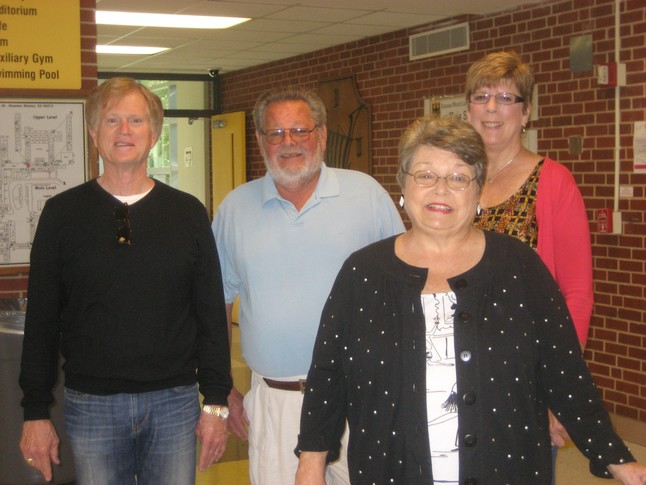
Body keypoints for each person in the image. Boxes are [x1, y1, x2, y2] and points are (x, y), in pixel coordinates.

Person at [294, 116, 646, 484]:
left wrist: (616, 459)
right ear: (403, 184)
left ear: (478, 191)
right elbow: (328, 376)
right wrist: (311, 464)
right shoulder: (362, 273)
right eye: (425, 175)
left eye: (458, 178)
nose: (441, 189)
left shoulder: (519, 266)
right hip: (391, 472)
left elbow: (565, 372)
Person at [18, 77, 232, 485]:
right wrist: (35, 411)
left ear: (154, 134)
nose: (124, 131)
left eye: (136, 120)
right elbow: (42, 320)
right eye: (112, 120)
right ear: (93, 132)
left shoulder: (187, 213)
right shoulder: (62, 215)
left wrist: (216, 402)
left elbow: (209, 314)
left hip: (174, 403)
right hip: (92, 406)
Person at [212, 86, 405, 485]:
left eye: (300, 130)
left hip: (361, 397)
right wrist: (222, 386)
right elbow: (217, 303)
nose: (289, 142)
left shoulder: (367, 195)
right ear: (260, 140)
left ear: (322, 134)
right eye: (276, 133)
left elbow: (405, 290)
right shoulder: (235, 208)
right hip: (278, 402)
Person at [465, 50, 594, 478]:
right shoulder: (454, 178)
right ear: (468, 109)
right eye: (481, 96)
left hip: (525, 378)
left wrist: (561, 387)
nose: (492, 108)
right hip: (453, 371)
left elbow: (576, 294)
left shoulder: (554, 182)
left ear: (526, 113)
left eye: (506, 98)